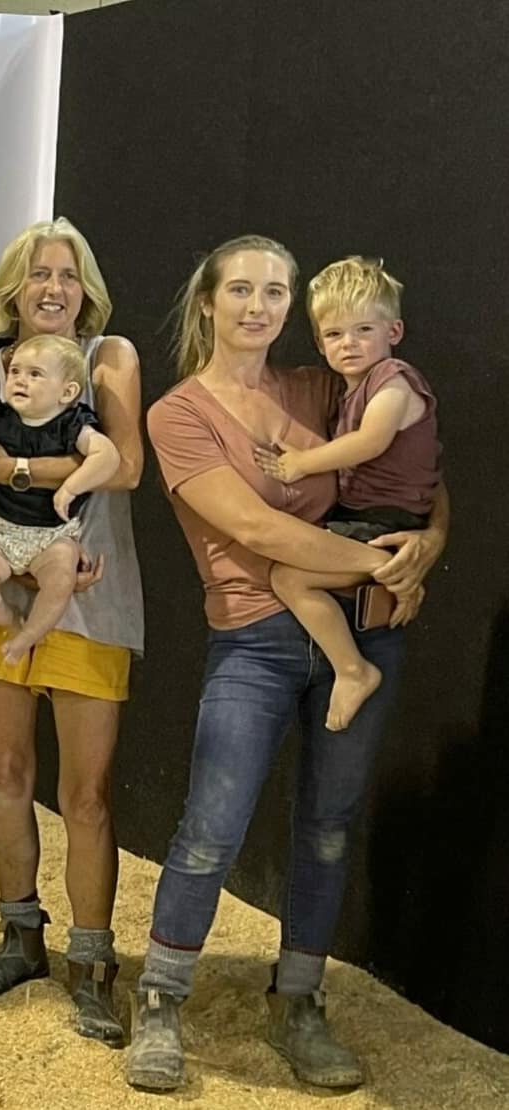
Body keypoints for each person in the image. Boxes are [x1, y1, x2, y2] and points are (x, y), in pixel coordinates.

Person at [125, 236, 448, 1093]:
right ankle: (161, 1000)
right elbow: (257, 530)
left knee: (329, 830)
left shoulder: (325, 386)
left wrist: (430, 539)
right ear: (207, 302)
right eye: (241, 289)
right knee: (211, 829)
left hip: (365, 636)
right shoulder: (178, 414)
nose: (258, 306)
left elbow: (417, 465)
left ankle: (299, 1001)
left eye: (275, 291)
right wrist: (383, 564)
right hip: (255, 639)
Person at [0, 218, 143, 1048]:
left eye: (68, 274)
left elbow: (126, 465)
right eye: (38, 274)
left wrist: (13, 469)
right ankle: (19, 938)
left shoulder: (109, 360)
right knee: (7, 772)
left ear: (87, 290)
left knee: (86, 794)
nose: (54, 288)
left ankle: (93, 963)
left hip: (91, 599)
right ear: (12, 289)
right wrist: (16, 571)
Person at [256, 257, 441, 730]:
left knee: (289, 577)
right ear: (320, 344)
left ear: (393, 331)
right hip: (365, 515)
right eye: (335, 334)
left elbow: (371, 441)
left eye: (363, 330)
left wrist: (301, 463)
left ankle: (353, 670)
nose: (349, 344)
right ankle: (386, 592)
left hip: (386, 518)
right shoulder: (346, 391)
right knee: (295, 563)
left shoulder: (393, 379)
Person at [0, 334, 119, 662]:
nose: (20, 380)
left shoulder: (73, 424)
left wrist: (70, 488)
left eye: (35, 374)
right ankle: (11, 622)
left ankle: (32, 634)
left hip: (52, 534)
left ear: (67, 392)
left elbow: (109, 457)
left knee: (60, 579)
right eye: (15, 371)